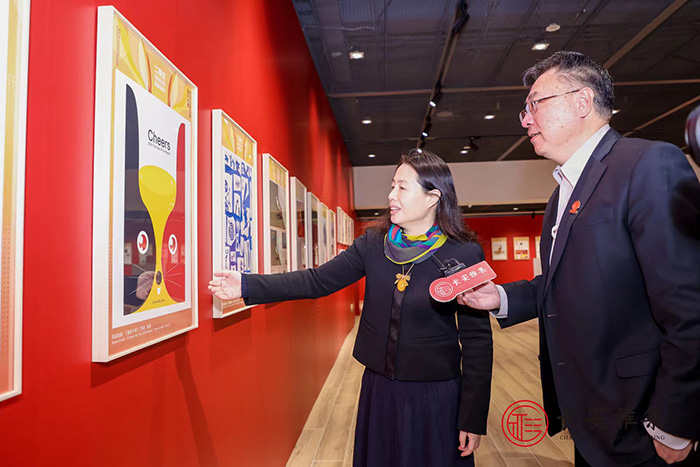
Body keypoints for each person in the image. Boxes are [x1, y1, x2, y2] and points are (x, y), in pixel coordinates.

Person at [458, 51, 700, 466]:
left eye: (535, 104)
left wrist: (674, 423)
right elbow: (564, 281)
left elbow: (690, 304)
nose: (525, 119)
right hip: (593, 417)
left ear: (582, 101)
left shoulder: (647, 164)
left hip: (644, 420)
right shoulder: (561, 194)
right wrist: (499, 297)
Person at [209, 150, 493, 466]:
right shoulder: (372, 244)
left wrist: (473, 417)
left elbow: (478, 341)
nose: (391, 195)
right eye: (392, 186)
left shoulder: (463, 254)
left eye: (402, 187)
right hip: (379, 391)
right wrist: (246, 285)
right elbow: (317, 281)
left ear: (432, 198)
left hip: (436, 398)